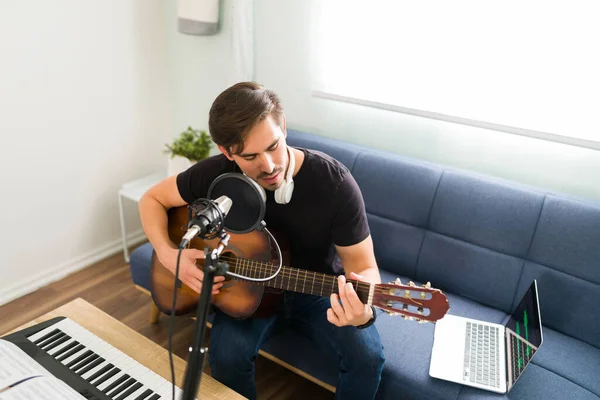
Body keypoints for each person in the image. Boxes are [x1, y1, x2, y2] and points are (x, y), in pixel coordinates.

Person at [138, 81, 385, 399]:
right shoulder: (216, 175)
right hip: (245, 291)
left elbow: (365, 268)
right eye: (251, 156)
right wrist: (170, 255)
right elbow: (151, 200)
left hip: (317, 289)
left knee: (368, 357)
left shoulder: (334, 184)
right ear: (227, 152)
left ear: (283, 126)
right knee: (225, 357)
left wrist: (363, 311)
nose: (269, 166)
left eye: (273, 146)